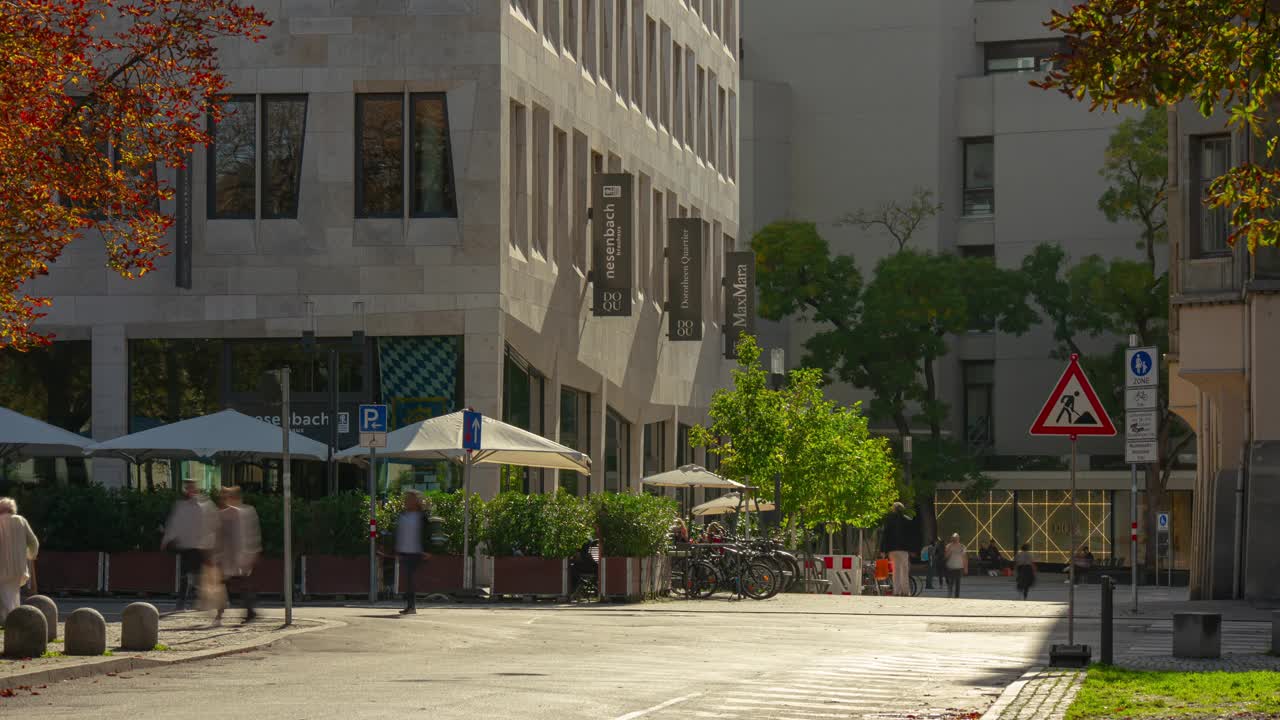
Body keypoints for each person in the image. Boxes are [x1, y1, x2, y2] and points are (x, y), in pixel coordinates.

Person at [161, 479, 216, 611]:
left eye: (191, 487)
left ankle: (202, 601)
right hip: (187, 545)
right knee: (186, 574)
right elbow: (174, 524)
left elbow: (213, 524)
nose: (190, 490)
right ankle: (182, 602)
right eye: (187, 488)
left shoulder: (205, 505)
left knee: (199, 575)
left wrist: (212, 542)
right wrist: (166, 539)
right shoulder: (182, 506)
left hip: (201, 545)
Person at [214, 487, 261, 625]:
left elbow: (247, 535)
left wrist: (249, 553)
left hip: (237, 555)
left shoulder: (243, 513)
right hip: (230, 556)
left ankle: (247, 612)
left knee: (235, 585)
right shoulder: (225, 514)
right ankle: (246, 612)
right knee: (228, 585)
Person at [0, 497, 39, 625]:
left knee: (6, 595)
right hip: (19, 568)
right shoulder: (21, 521)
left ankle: (9, 621)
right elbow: (33, 542)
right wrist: (31, 555)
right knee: (13, 594)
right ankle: (14, 621)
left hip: (2, 567)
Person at [395, 490, 431, 615]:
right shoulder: (403, 515)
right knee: (408, 580)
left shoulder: (422, 516)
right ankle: (410, 606)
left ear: (416, 502)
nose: (407, 502)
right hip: (405, 551)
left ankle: (411, 606)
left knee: (410, 579)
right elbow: (399, 533)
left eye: (410, 499)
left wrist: (427, 550)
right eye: (406, 499)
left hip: (417, 552)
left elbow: (428, 534)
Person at [879, 502, 916, 597]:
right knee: (904, 569)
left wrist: (883, 550)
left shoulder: (889, 521)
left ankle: (896, 591)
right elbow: (912, 537)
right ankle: (905, 591)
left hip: (892, 549)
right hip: (903, 549)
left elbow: (885, 536)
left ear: (893, 509)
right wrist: (912, 549)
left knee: (896, 570)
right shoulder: (907, 520)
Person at [944, 533, 968, 599]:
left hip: (959, 567)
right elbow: (945, 557)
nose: (955, 539)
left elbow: (965, 557)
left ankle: (956, 597)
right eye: (954, 538)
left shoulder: (962, 546)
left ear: (959, 539)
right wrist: (949, 552)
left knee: (958, 584)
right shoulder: (948, 546)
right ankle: (949, 596)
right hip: (950, 567)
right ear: (952, 539)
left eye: (956, 538)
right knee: (950, 583)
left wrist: (966, 568)